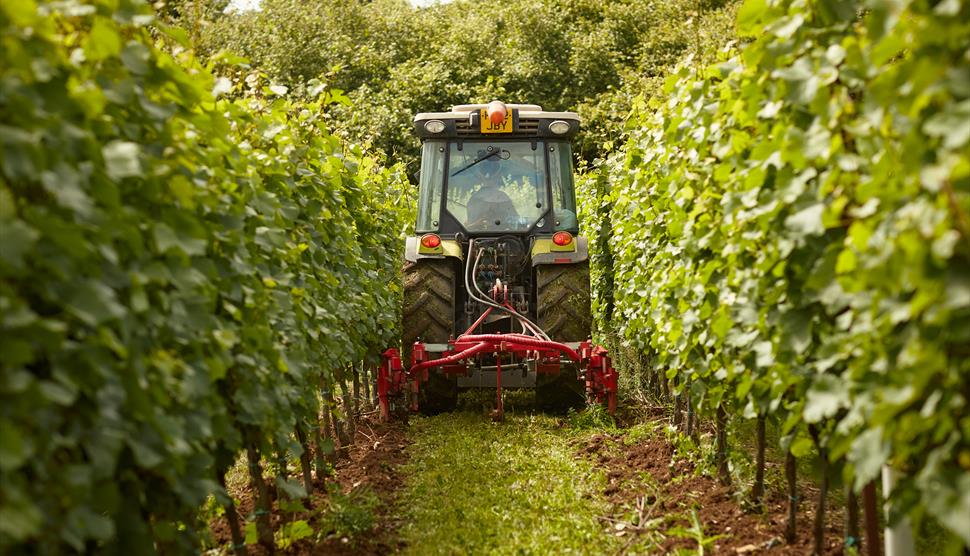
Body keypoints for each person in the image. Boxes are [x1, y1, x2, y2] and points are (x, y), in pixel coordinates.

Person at [465, 155, 519, 229]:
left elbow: (470, 225)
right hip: (504, 238)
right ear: (498, 177)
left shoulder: (473, 200)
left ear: (480, 177)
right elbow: (515, 223)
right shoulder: (503, 197)